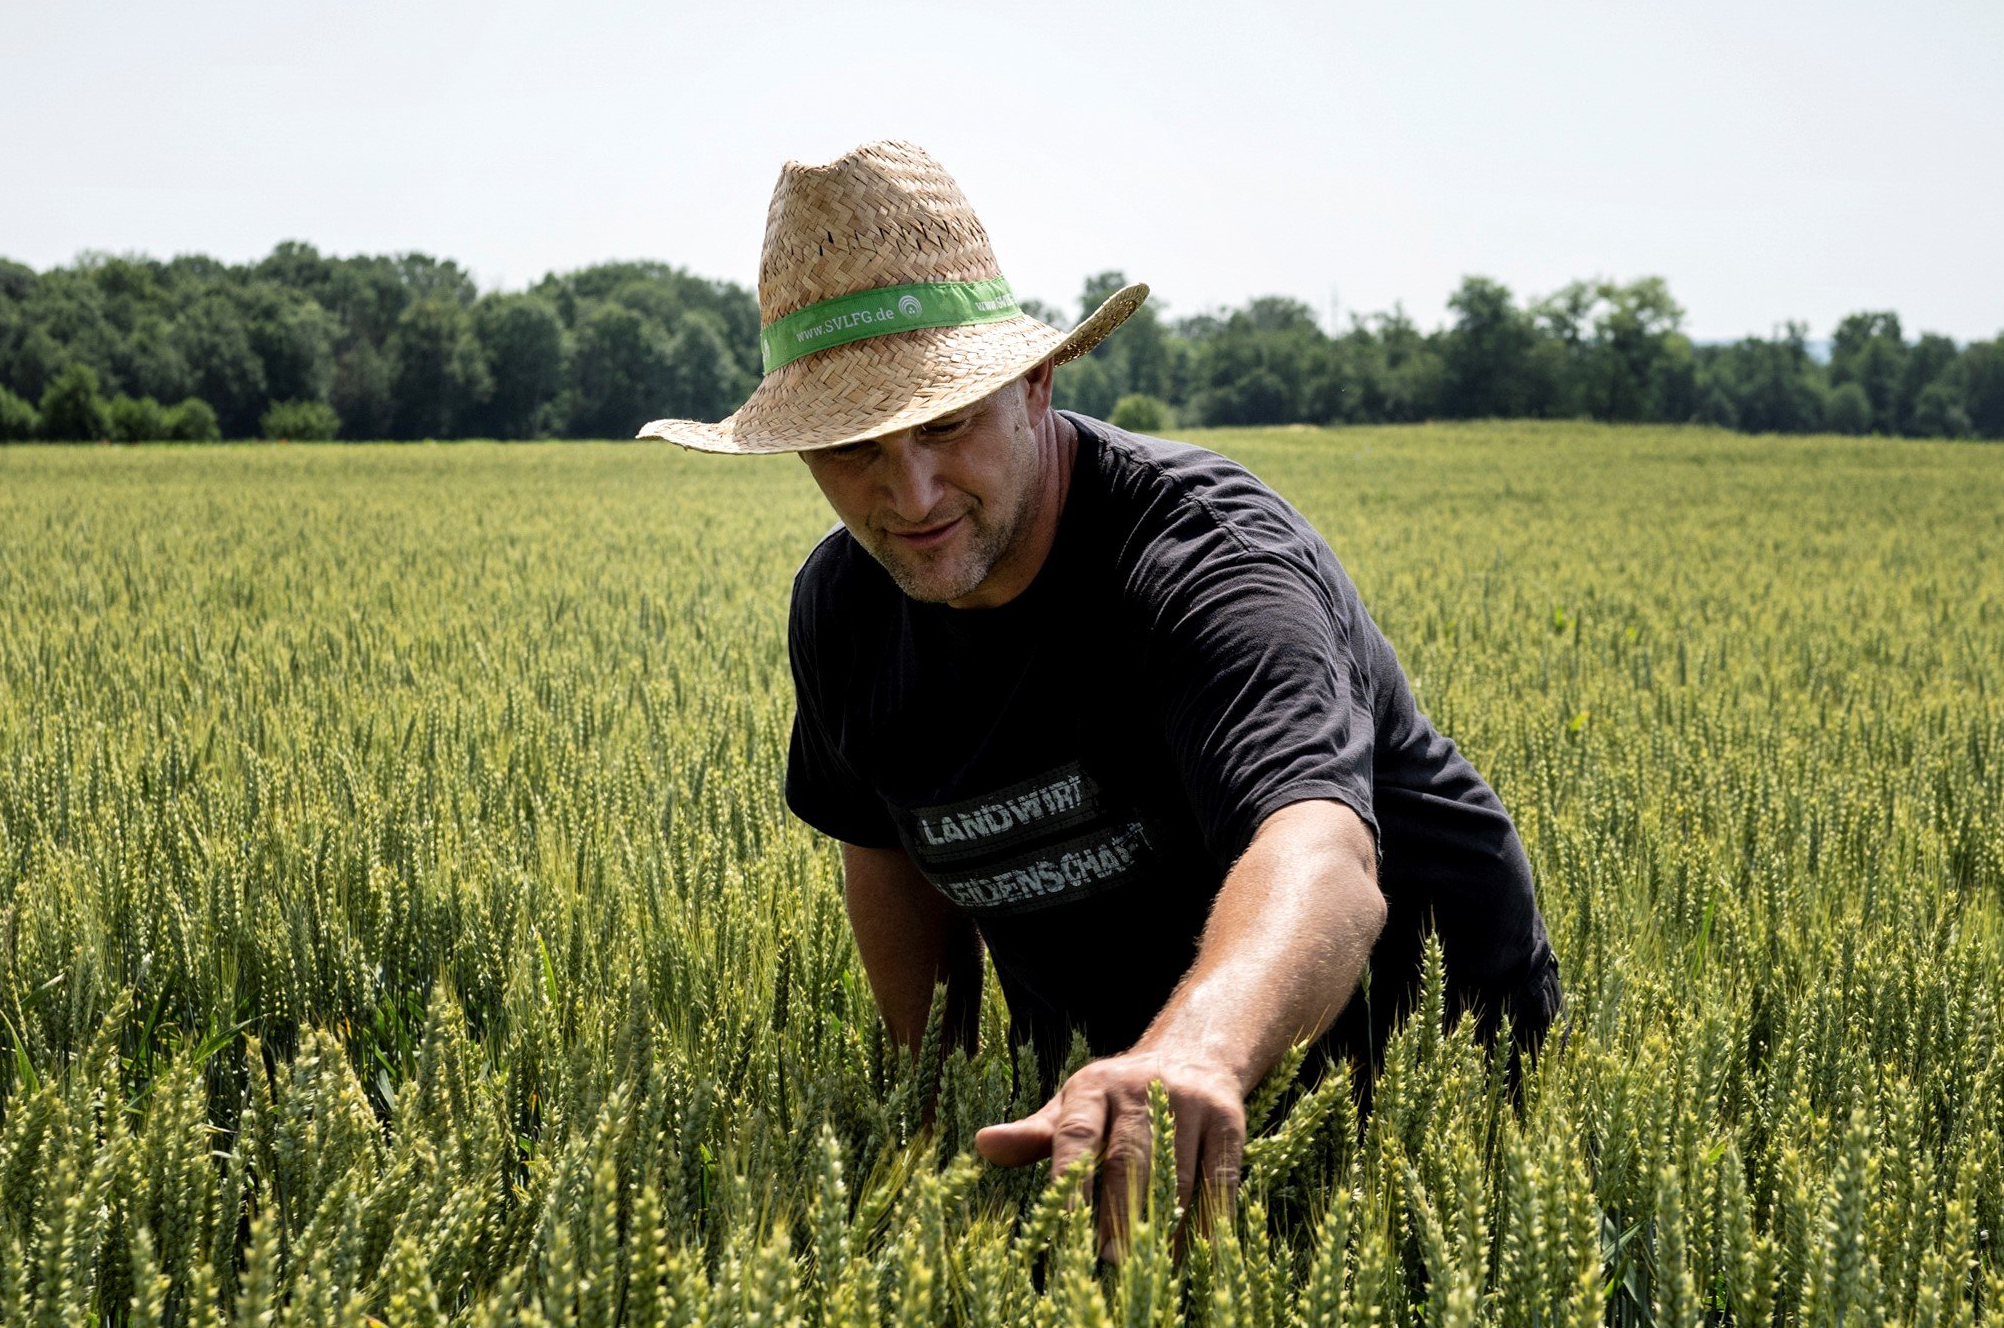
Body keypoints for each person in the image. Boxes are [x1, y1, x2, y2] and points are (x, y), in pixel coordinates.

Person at [642, 141, 1557, 1244]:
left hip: (1413, 1090)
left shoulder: (1207, 564)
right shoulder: (844, 606)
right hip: (1116, 1108)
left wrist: (1193, 1055)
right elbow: (882, 843)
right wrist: (934, 1110)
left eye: (945, 424)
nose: (911, 492)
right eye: (855, 451)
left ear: (1035, 382)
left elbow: (1322, 856)